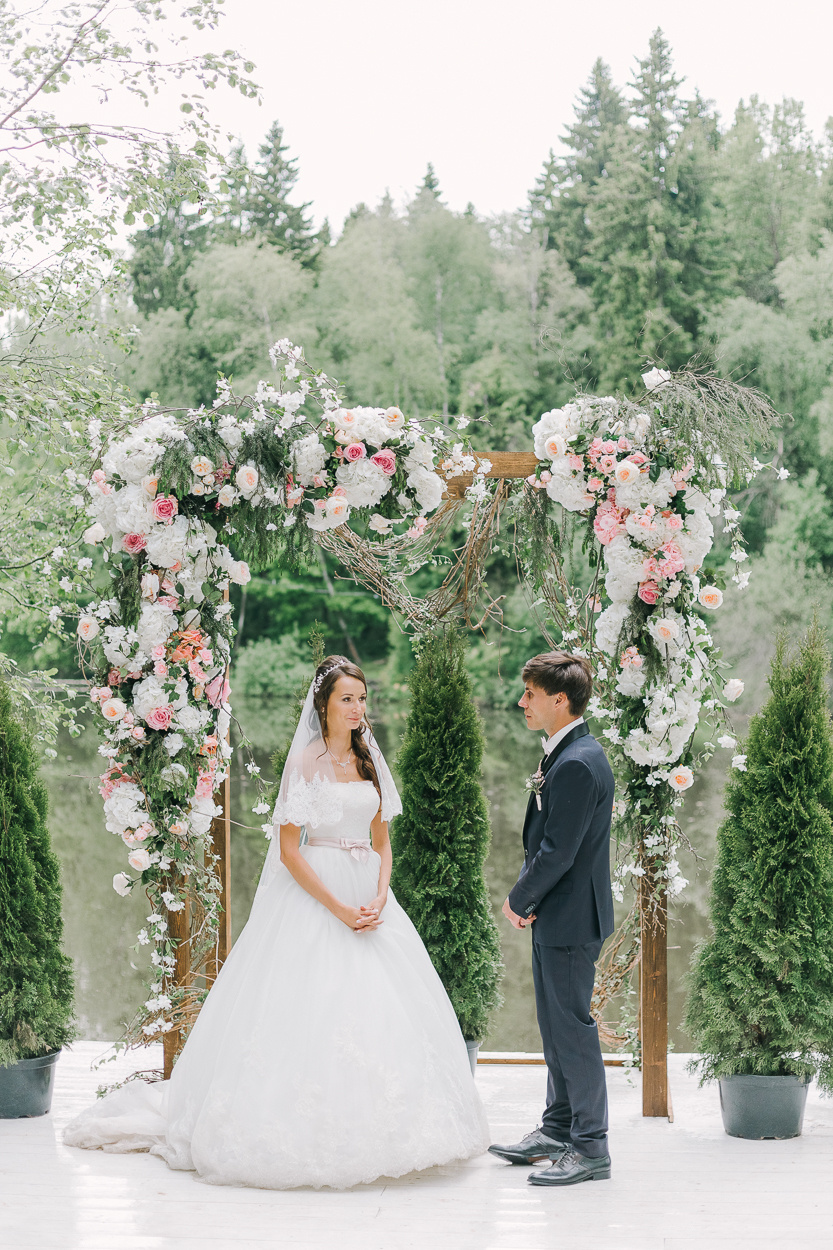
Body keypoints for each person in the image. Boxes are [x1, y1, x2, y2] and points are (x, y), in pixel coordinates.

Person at [65, 656, 489, 1189]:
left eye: (362, 698)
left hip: (371, 899)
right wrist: (338, 908)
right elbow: (291, 852)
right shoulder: (307, 763)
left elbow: (383, 841)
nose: (358, 709)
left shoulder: (370, 760)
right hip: (319, 894)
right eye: (347, 699)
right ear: (324, 705)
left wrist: (380, 897)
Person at [488, 651, 614, 1187]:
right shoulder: (568, 753)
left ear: (559, 700)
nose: (523, 702)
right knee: (554, 1028)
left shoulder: (580, 763)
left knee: (573, 1031)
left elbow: (559, 851)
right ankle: (558, 1128)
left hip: (570, 917)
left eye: (531, 694)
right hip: (556, 915)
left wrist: (518, 899)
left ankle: (590, 1147)